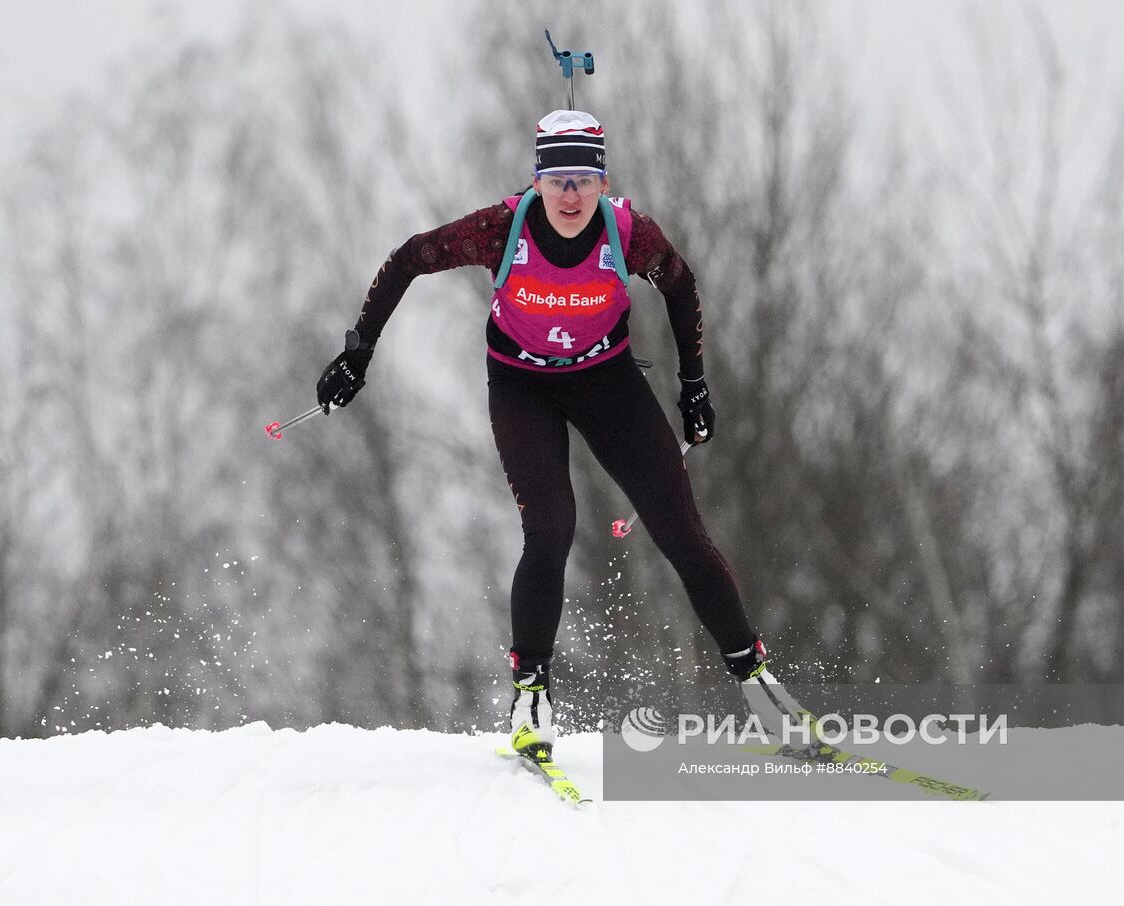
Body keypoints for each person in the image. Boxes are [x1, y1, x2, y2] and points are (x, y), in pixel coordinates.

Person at [316, 110, 795, 760]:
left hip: (608, 384)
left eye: (584, 179)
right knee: (551, 528)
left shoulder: (629, 233)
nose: (571, 194)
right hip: (523, 389)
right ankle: (532, 696)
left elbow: (680, 291)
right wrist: (358, 352)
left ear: (602, 182)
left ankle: (755, 680)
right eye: (558, 178)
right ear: (538, 179)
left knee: (680, 528)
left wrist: (693, 386)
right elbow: (409, 259)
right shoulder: (499, 228)